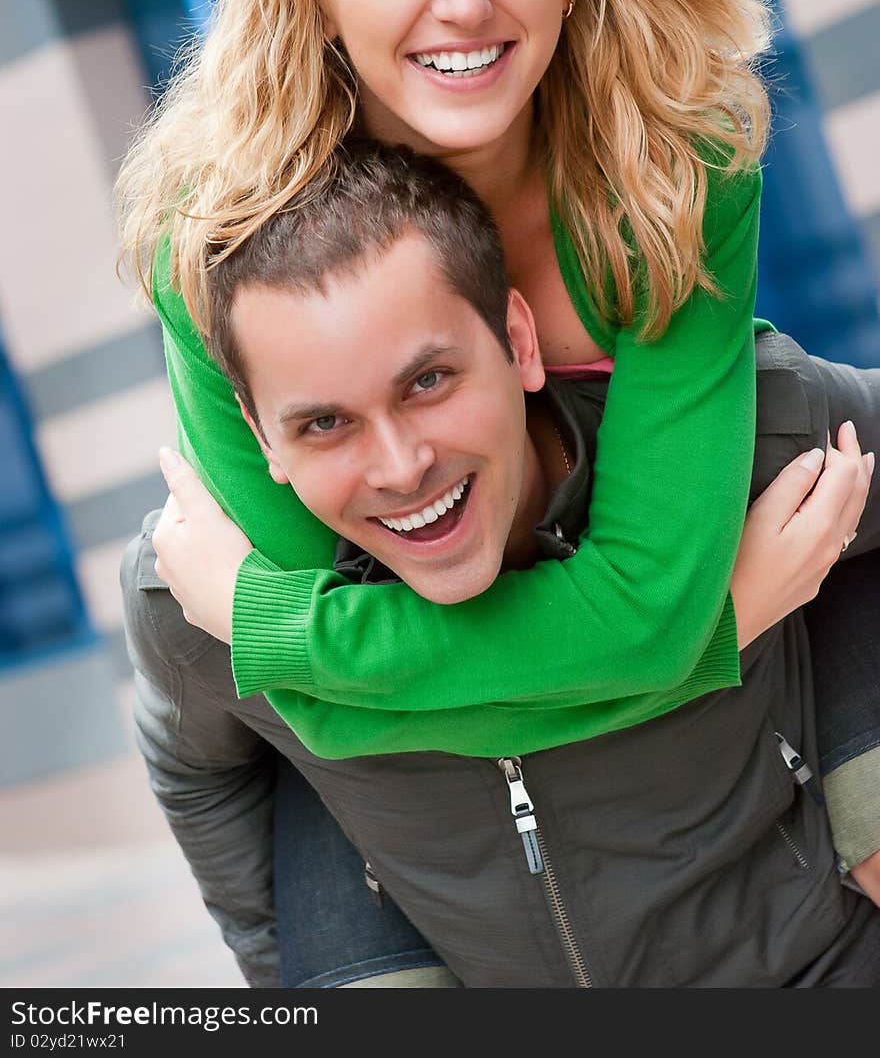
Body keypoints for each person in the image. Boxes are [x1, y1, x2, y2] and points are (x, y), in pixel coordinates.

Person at [115, 0, 879, 975]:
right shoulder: (212, 240)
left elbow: (631, 602)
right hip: (416, 801)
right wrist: (723, 619)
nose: (463, 2)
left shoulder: (672, 162)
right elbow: (330, 709)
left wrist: (273, 621)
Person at [127, 139, 880, 987]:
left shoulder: (746, 444)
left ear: (520, 339)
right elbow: (201, 774)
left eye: (428, 382)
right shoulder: (200, 598)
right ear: (261, 437)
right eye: (325, 424)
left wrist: (860, 757)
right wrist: (304, 972)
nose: (401, 465)